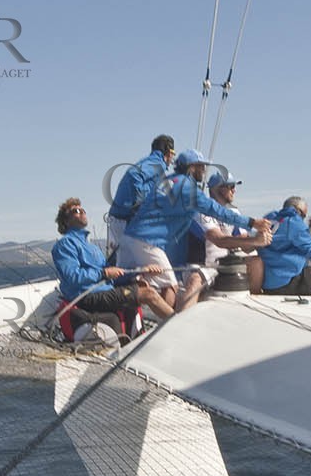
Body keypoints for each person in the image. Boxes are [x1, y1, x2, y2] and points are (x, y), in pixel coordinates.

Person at [118, 149, 271, 310]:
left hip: (130, 237)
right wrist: (253, 222)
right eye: (201, 166)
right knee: (169, 286)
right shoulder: (188, 190)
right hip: (147, 241)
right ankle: (172, 327)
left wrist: (257, 239)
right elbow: (216, 213)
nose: (204, 170)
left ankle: (129, 324)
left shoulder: (168, 181)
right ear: (191, 167)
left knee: (126, 282)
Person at [52, 198, 174, 342]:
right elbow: (72, 277)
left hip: (103, 292)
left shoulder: (91, 247)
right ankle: (182, 326)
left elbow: (112, 274)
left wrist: (140, 271)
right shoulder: (65, 244)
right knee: (149, 294)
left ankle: (134, 337)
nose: (82, 212)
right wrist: (103, 273)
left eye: (83, 210)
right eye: (76, 211)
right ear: (66, 221)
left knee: (142, 286)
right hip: (87, 297)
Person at [174, 168, 269, 311]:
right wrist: (254, 241)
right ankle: (180, 323)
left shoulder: (234, 212)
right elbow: (219, 240)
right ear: (218, 189)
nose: (234, 191)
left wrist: (261, 239)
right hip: (204, 266)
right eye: (231, 187)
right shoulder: (200, 212)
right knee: (195, 280)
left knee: (256, 262)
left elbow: (245, 244)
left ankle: (254, 306)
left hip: (226, 266)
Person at [107, 134, 175, 263]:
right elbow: (134, 175)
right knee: (137, 262)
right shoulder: (157, 163)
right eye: (173, 153)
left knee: (127, 262)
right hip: (125, 220)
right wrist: (140, 205)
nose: (173, 158)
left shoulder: (151, 162)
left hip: (121, 219)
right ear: (167, 151)